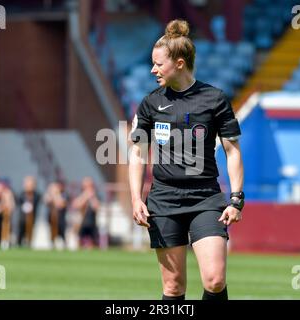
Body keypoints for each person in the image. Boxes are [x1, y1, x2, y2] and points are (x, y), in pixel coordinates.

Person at [128, 19, 244, 300]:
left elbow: (232, 151)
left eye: (158, 64)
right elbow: (138, 151)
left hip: (206, 197)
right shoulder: (150, 103)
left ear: (179, 63)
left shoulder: (214, 99)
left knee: (215, 281)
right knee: (173, 287)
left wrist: (236, 199)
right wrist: (135, 198)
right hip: (164, 200)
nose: (153, 70)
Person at [72, 177, 101, 249]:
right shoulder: (81, 195)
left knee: (95, 244)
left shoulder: (95, 196)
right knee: (79, 243)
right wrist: (85, 196)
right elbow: (75, 205)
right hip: (82, 223)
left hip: (92, 223)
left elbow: (96, 207)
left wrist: (92, 197)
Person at [17, 176, 41, 247]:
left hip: (32, 217)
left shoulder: (37, 195)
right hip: (22, 218)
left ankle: (29, 244)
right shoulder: (22, 194)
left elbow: (37, 201)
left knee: (30, 233)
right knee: (21, 232)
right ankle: (19, 244)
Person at [44, 180, 69, 249]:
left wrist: (56, 194)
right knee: (52, 232)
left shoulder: (64, 194)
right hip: (52, 217)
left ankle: (65, 246)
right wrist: (51, 193)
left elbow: (61, 204)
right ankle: (52, 244)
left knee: (62, 233)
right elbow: (46, 201)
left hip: (61, 218)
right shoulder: (49, 194)